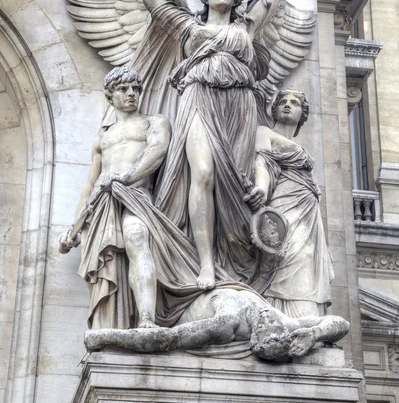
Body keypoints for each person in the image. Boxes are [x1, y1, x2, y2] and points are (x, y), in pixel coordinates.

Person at [141, 0, 283, 292]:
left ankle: (229, 261)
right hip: (198, 99)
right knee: (201, 172)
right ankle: (204, 264)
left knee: (235, 181)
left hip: (239, 105)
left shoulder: (245, 27)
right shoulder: (187, 25)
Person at [59, 66, 171, 329]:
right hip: (101, 204)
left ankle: (146, 319)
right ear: (110, 96)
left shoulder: (153, 122)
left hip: (136, 195)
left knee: (136, 238)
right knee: (103, 263)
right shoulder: (102, 137)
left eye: (135, 89)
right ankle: (107, 325)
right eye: (123, 89)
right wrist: (74, 228)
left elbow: (157, 152)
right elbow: (89, 185)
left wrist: (126, 178)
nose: (131, 94)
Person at [245, 89, 334, 317]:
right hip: (285, 204)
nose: (287, 105)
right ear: (273, 110)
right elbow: (261, 161)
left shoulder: (298, 145)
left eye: (294, 103)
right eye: (282, 102)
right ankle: (281, 315)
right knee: (286, 255)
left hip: (308, 212)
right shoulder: (264, 132)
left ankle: (304, 314)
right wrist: (262, 189)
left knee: (306, 257)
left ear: (302, 113)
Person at [84, 286, 349, 361]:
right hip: (219, 279)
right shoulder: (286, 322)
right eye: (277, 334)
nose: (271, 325)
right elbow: (340, 323)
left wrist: (104, 336)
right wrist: (314, 334)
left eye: (268, 336)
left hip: (185, 294)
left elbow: (167, 339)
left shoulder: (227, 322)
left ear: (254, 338)